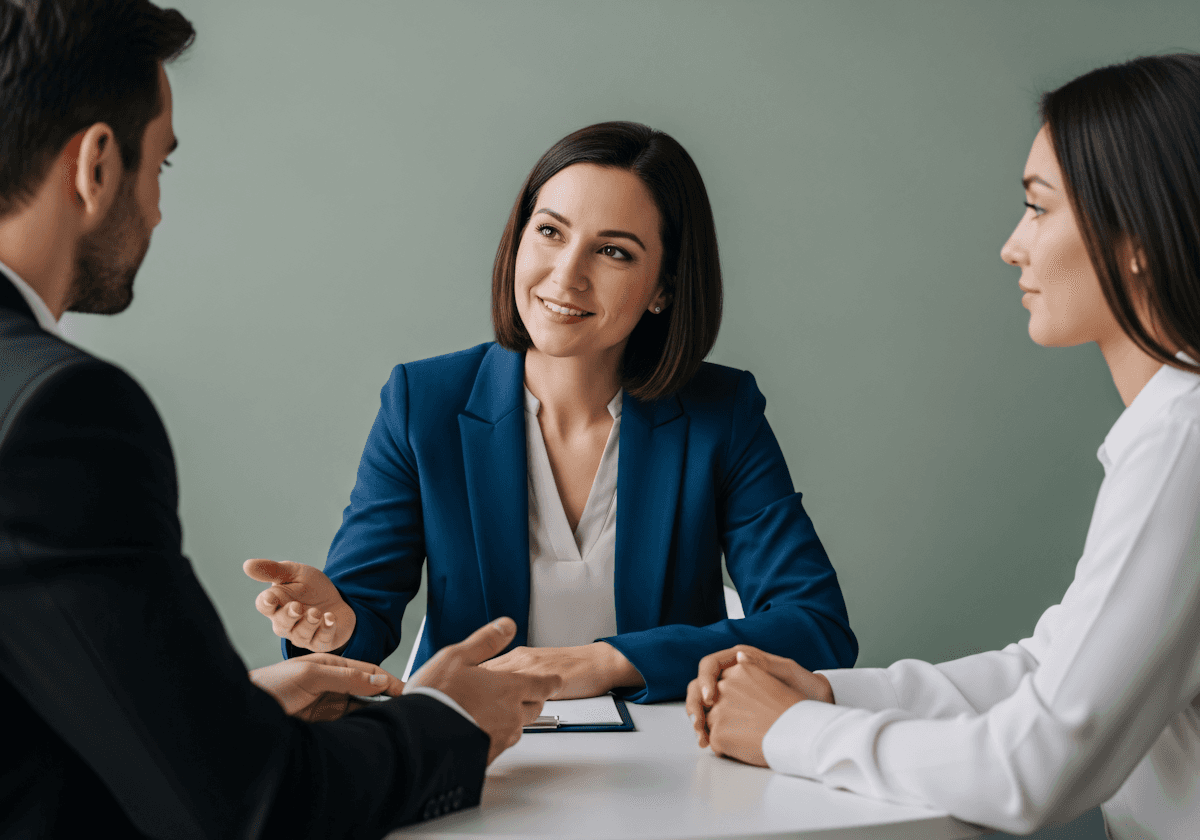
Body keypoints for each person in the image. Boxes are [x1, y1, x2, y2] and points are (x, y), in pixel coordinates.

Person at [0, 2, 559, 837]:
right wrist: (450, 718)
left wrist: (228, 713)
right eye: (163, 167)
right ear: (96, 164)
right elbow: (257, 807)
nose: (156, 210)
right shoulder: (60, 414)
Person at [685, 53, 1200, 840]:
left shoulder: (1184, 440)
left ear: (1136, 237)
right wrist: (826, 694)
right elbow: (1046, 668)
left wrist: (789, 732)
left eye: (1039, 209)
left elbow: (1036, 769)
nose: (1013, 246)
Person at [246, 121, 858, 703]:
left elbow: (816, 627)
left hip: (669, 754)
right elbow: (363, 619)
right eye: (550, 232)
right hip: (476, 749)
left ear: (664, 288)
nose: (567, 276)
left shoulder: (721, 413)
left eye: (614, 252)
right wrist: (331, 623)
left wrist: (603, 661)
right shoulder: (422, 401)